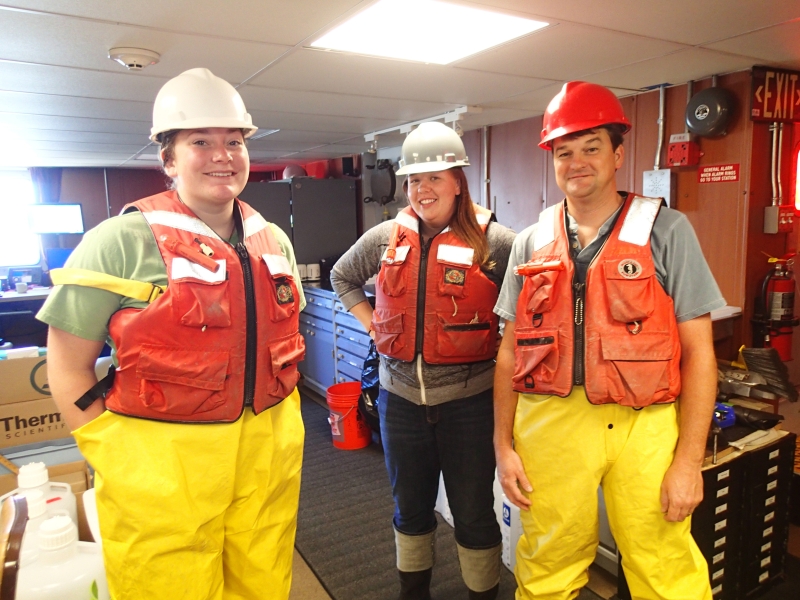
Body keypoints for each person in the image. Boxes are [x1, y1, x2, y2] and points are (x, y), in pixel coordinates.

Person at [37, 68, 307, 600]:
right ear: (168, 158)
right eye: (200, 141)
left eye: (234, 141)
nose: (222, 155)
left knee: (265, 585)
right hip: (161, 472)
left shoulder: (272, 239)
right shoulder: (117, 241)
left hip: (265, 464)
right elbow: (66, 365)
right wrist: (111, 450)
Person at [493, 81, 725, 600]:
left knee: (663, 564)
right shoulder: (531, 240)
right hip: (550, 424)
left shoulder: (667, 229)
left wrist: (689, 462)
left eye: (591, 148)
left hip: (645, 427)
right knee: (546, 563)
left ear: (618, 153)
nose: (576, 162)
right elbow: (509, 352)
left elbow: (700, 353)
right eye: (563, 151)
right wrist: (503, 445)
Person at [332, 121, 516, 600]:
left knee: (473, 511)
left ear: (458, 181)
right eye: (414, 180)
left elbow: (528, 311)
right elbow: (342, 275)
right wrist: (372, 323)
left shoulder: (497, 243)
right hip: (400, 402)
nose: (423, 189)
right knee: (409, 508)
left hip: (470, 404)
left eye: (435, 177)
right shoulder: (385, 238)